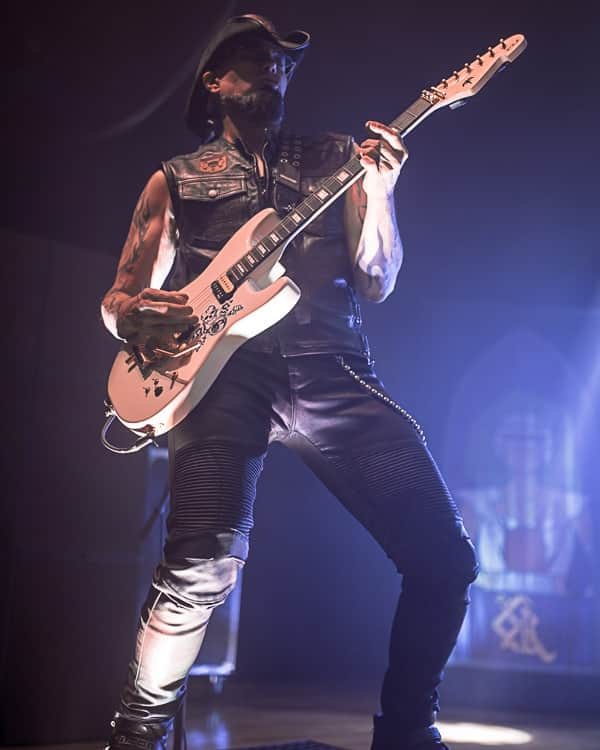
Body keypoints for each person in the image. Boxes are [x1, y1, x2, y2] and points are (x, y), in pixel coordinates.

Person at [101, 14, 478, 750]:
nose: (273, 71)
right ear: (214, 80)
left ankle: (408, 731)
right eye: (254, 58)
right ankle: (137, 731)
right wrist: (133, 319)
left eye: (283, 64)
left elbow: (377, 279)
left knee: (444, 558)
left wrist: (384, 191)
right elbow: (118, 299)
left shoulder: (337, 156)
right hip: (221, 376)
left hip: (329, 366)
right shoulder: (174, 179)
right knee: (199, 566)